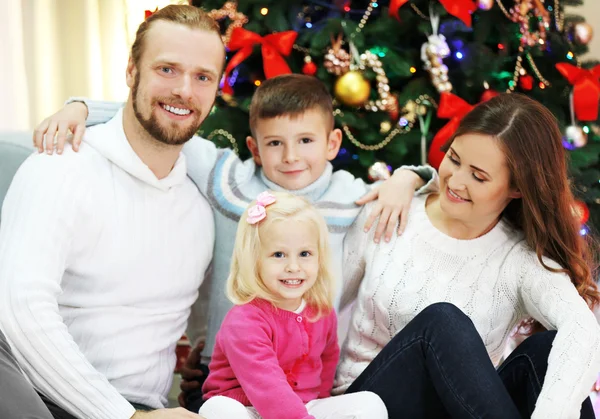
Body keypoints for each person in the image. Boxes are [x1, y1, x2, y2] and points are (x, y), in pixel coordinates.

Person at [35, 74, 438, 409]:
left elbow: (436, 192)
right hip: (224, 378)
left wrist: (410, 176)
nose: (291, 156)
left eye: (306, 141)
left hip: (303, 382)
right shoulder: (229, 180)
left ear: (332, 144)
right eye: (275, 142)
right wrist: (80, 108)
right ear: (254, 148)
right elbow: (151, 121)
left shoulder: (351, 195)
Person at [0, 5, 223, 419]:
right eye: (167, 69)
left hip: (142, 408)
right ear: (131, 73)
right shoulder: (61, 166)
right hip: (34, 395)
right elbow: (18, 309)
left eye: (202, 77)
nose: (185, 91)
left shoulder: (203, 205)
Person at [334, 93, 600, 419]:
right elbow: (315, 303)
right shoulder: (390, 210)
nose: (456, 182)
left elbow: (582, 327)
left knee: (545, 353)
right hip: (369, 406)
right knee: (442, 322)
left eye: (478, 176)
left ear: (517, 188)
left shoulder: (518, 260)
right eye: (454, 159)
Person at [198, 191, 388, 419]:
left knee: (370, 403)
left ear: (320, 257)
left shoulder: (321, 312)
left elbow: (326, 366)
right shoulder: (244, 321)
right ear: (254, 260)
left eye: (305, 254)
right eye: (279, 254)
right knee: (217, 410)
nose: (293, 266)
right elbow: (266, 385)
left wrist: (322, 407)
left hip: (303, 406)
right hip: (247, 407)